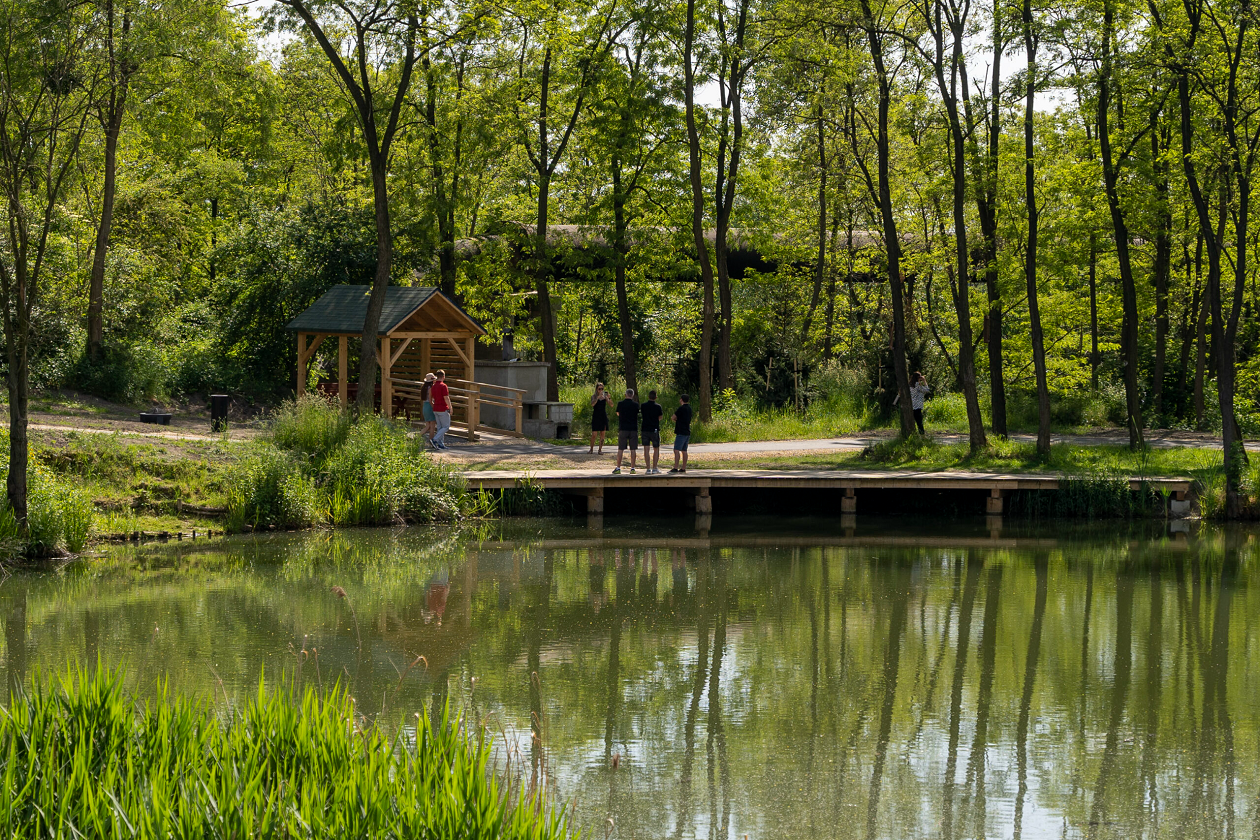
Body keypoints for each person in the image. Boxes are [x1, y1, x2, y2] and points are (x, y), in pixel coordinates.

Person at [613, 388, 639, 474]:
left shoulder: (620, 404)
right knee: (633, 449)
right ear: (633, 395)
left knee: (620, 449)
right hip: (633, 428)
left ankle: (618, 467)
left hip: (623, 428)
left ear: (625, 395)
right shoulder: (636, 405)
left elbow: (617, 413)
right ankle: (632, 468)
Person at [640, 390, 664, 473]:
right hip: (654, 429)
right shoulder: (658, 406)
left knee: (646, 449)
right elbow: (660, 417)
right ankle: (655, 467)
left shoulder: (643, 406)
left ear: (648, 397)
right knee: (656, 449)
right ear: (656, 397)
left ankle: (648, 468)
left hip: (645, 429)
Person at [669, 394, 692, 473]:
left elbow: (673, 417)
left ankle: (675, 467)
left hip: (681, 431)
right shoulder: (689, 408)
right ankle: (683, 468)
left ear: (681, 400)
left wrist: (677, 420)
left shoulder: (681, 408)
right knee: (684, 450)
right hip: (687, 431)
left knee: (676, 450)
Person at [430, 370, 451, 449]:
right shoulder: (443, 386)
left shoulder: (434, 386)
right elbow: (446, 398)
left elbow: (432, 397)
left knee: (439, 427)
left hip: (436, 408)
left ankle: (440, 443)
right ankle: (435, 439)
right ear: (443, 376)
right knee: (446, 427)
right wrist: (450, 407)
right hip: (442, 408)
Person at [589, 382, 611, 454]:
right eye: (599, 389)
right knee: (594, 434)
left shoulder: (605, 397)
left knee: (602, 434)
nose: (601, 390)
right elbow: (592, 404)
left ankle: (600, 450)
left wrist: (608, 398)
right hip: (596, 416)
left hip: (603, 416)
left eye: (602, 389)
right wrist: (598, 397)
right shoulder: (594, 396)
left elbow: (611, 405)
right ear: (596, 389)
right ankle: (591, 449)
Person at [420, 373, 438, 449]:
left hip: (425, 406)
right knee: (432, 426)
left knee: (427, 426)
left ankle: (416, 436)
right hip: (430, 406)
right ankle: (431, 442)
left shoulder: (423, 388)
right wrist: (434, 407)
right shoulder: (431, 388)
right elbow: (431, 399)